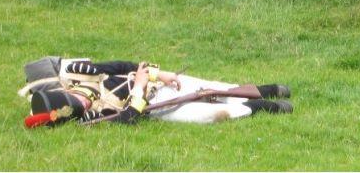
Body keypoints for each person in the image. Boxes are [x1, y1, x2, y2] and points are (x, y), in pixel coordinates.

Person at [23, 58, 292, 127]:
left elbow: (124, 66)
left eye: (77, 97)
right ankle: (270, 107)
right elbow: (127, 119)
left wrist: (158, 74)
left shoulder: (83, 72)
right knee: (212, 114)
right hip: (156, 108)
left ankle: (269, 89)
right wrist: (139, 88)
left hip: (156, 84)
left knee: (216, 87)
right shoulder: (87, 119)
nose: (83, 100)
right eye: (78, 103)